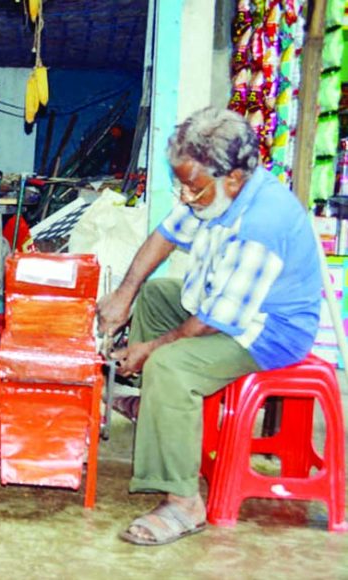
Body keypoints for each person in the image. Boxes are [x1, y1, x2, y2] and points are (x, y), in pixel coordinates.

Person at [97, 107, 321, 546]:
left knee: (171, 365)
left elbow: (217, 319)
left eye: (192, 188)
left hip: (267, 332)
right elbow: (164, 236)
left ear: (233, 179)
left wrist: (151, 350)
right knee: (159, 293)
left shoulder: (262, 222)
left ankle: (184, 503)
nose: (183, 196)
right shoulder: (211, 191)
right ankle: (159, 412)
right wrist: (125, 292)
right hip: (225, 305)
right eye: (180, 184)